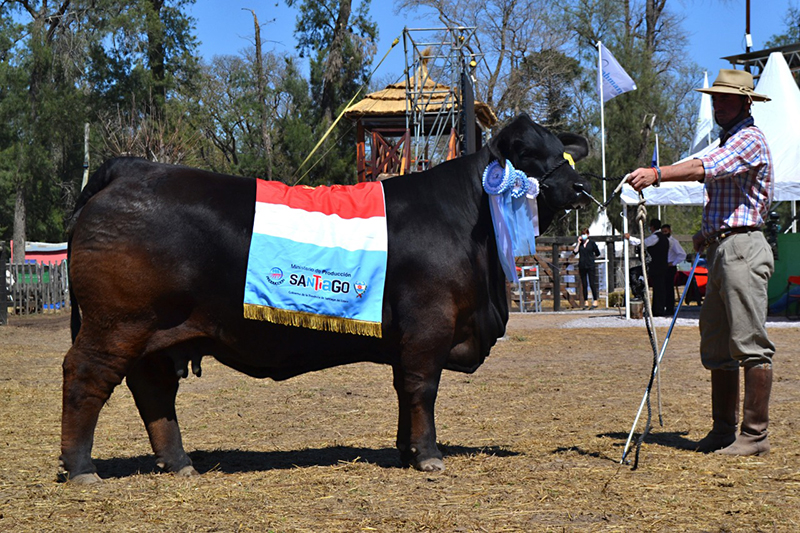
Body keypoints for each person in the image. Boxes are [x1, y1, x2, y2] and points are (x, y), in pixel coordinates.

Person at [627, 69, 775, 457]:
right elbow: (708, 172)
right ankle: (724, 430)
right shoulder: (727, 140)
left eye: (726, 99)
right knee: (716, 343)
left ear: (746, 102)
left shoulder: (749, 139)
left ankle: (754, 435)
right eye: (715, 98)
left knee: (749, 342)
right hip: (723, 248)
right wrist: (705, 235)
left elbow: (702, 168)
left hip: (743, 249)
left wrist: (657, 174)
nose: (718, 104)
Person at [624, 218, 670, 316]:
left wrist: (630, 238)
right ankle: (658, 309)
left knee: (634, 273)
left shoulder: (655, 237)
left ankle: (639, 295)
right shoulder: (663, 238)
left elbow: (642, 243)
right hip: (661, 266)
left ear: (652, 227)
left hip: (655, 266)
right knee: (659, 288)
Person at [661, 224, 687, 315]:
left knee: (669, 288)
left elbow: (682, 254)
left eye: (666, 231)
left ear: (670, 231)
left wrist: (673, 262)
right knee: (662, 288)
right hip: (662, 266)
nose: (664, 233)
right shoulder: (660, 241)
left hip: (670, 267)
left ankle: (669, 308)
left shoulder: (673, 242)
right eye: (663, 232)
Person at [573, 228, 601, 309]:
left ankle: (595, 300)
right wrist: (578, 243)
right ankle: (585, 301)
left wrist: (592, 258)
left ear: (588, 235)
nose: (583, 235)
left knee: (592, 283)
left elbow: (597, 253)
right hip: (582, 265)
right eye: (582, 234)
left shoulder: (592, 243)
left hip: (590, 265)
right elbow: (575, 252)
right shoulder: (580, 244)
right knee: (584, 284)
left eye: (585, 234)